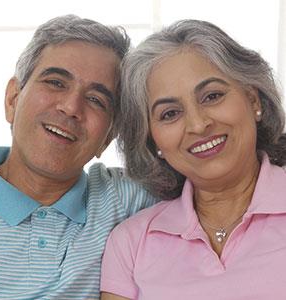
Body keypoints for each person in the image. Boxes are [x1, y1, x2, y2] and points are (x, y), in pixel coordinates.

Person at [100, 19, 286, 300]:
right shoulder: (131, 242)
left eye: (212, 96)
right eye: (170, 114)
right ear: (152, 140)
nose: (198, 125)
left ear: (253, 100)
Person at [0, 15, 157, 299]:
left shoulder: (125, 199)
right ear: (13, 99)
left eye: (96, 100)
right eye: (55, 82)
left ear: (109, 137)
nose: (71, 107)